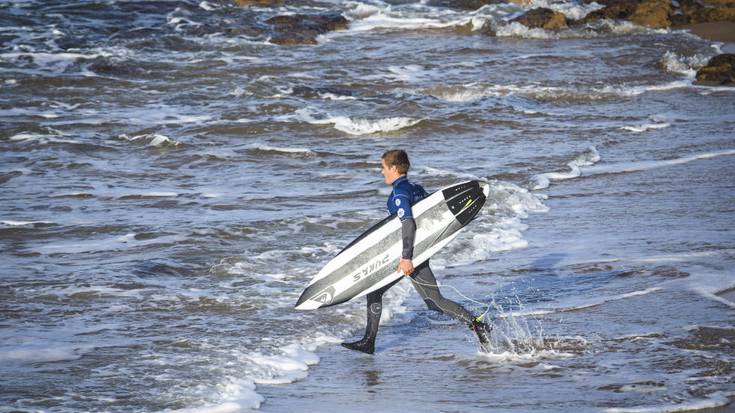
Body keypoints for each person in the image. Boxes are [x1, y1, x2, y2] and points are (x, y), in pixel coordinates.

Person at [341, 149, 493, 354]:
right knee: (425, 300)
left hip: (408, 254)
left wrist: (406, 257)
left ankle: (478, 325)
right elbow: (437, 216)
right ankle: (369, 341)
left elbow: (408, 224)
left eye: (383, 167)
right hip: (419, 250)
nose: (381, 172)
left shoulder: (398, 193)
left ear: (393, 168)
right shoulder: (416, 188)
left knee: (431, 301)